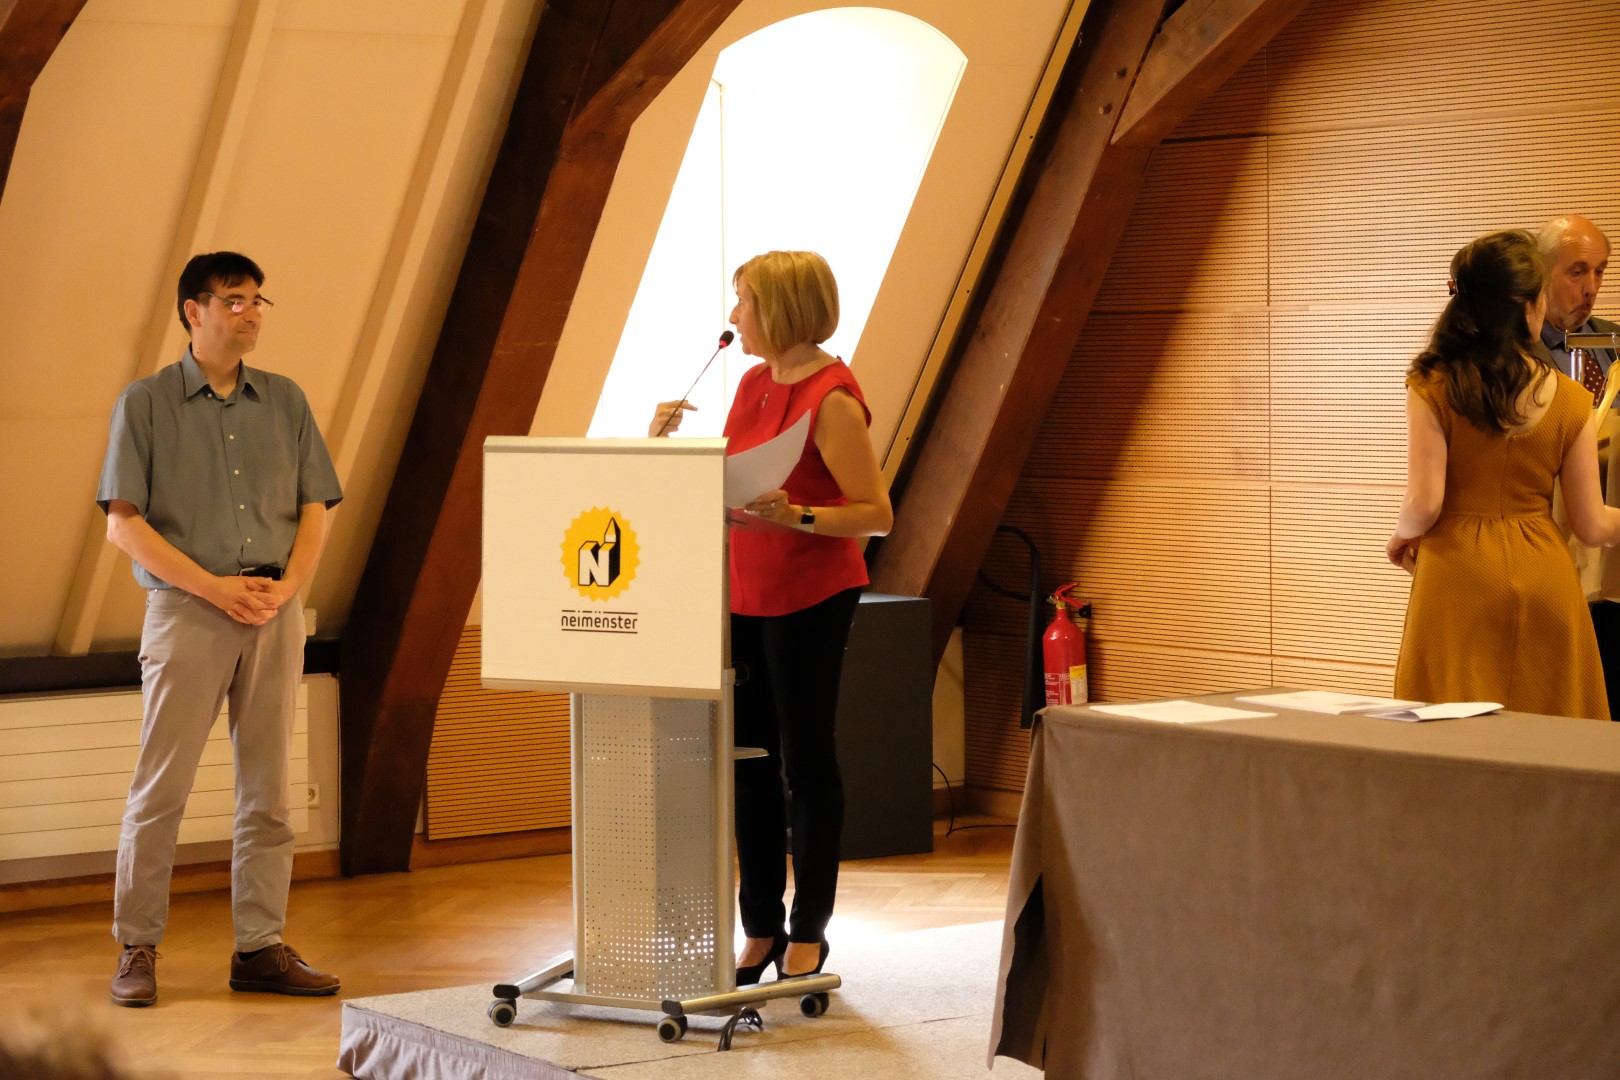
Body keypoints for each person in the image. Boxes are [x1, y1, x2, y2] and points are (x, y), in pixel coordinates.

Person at [97, 251, 344, 1006]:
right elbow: (123, 525)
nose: (251, 313)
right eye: (234, 300)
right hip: (188, 611)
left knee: (269, 792)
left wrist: (286, 590)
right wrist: (212, 588)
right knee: (161, 789)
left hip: (274, 611)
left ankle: (260, 949)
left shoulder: (287, 400)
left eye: (258, 300)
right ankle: (137, 947)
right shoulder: (146, 403)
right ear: (193, 310)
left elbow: (314, 509)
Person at [650, 251, 893, 983]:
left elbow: (875, 513)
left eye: (744, 303)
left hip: (811, 593)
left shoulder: (832, 398)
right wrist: (660, 445)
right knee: (748, 761)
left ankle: (808, 930)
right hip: (743, 586)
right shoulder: (754, 383)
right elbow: (733, 481)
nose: (734, 317)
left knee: (805, 760)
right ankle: (759, 925)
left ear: (782, 308)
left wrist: (801, 515)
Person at [1387, 229, 1620, 719]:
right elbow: (1592, 525)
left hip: (1457, 573)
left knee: (1449, 738)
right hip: (1545, 574)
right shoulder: (1572, 400)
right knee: (1553, 741)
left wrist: (1401, 536)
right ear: (1529, 306)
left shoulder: (1432, 384)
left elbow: (1424, 503)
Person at [1534, 215, 1620, 719]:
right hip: (1548, 544)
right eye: (1577, 272)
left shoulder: (1613, 340)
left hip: (1613, 561)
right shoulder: (1510, 351)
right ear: (1540, 271)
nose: (1591, 288)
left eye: (1600, 271)